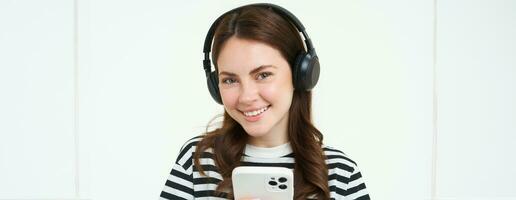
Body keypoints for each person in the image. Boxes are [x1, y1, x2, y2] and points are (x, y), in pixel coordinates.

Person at [160, 3, 370, 200]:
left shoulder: (341, 173)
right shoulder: (198, 160)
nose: (246, 97)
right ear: (216, 86)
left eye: (263, 75)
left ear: (300, 75)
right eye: (230, 80)